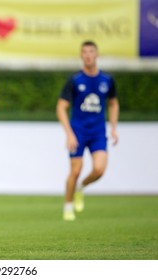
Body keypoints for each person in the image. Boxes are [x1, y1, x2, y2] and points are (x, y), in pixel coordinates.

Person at [56, 40, 120, 221]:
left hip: (98, 132)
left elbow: (113, 103)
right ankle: (68, 206)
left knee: (99, 169)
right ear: (81, 55)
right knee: (75, 171)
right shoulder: (75, 80)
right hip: (78, 132)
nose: (88, 55)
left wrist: (113, 128)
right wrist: (69, 133)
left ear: (96, 55)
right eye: (85, 52)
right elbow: (61, 107)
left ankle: (81, 187)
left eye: (91, 52)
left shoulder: (107, 80)